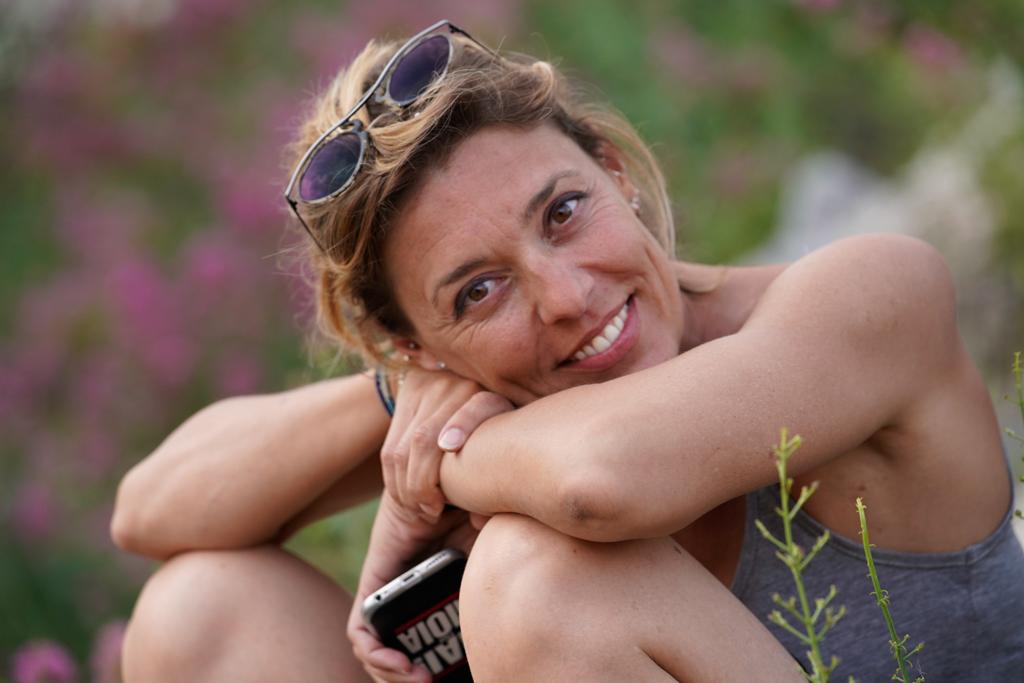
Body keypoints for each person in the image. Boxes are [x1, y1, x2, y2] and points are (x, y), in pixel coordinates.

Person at [111, 20, 1024, 682]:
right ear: (416, 344)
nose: (566, 296)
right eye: (478, 291)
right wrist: (401, 400)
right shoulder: (461, 389)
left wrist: (433, 470)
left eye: (563, 212)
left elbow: (603, 478)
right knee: (199, 611)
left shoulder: (872, 294)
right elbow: (147, 509)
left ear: (614, 172)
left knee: (532, 578)